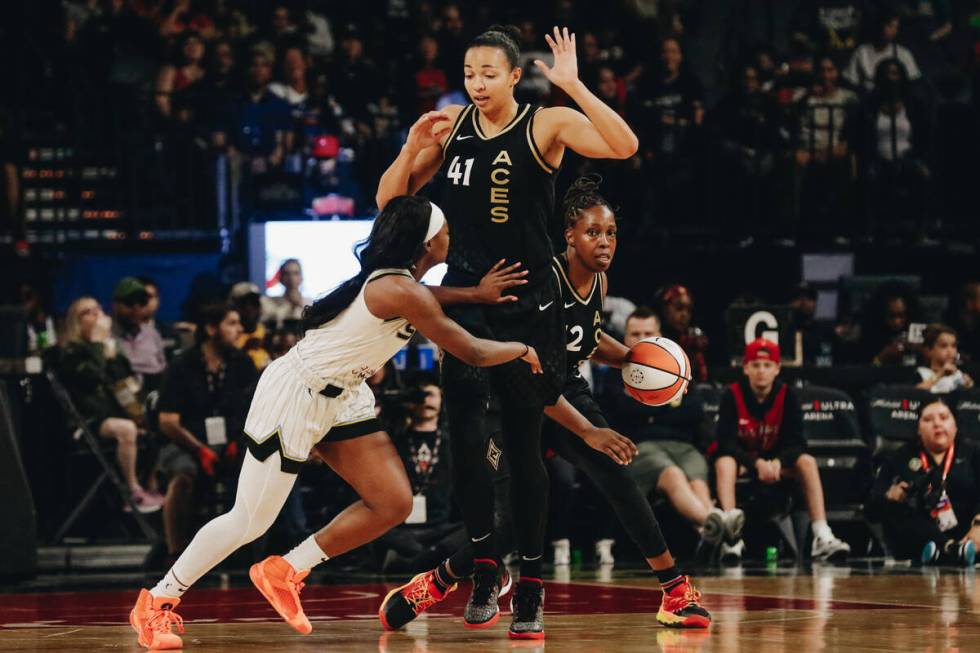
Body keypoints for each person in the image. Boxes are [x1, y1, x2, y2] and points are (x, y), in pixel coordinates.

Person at [130, 196, 543, 650]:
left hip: (343, 395)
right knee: (247, 520)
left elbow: (426, 298)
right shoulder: (401, 289)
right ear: (428, 241)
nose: (452, 237)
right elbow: (472, 350)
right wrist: (523, 349)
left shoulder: (402, 284)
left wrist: (475, 294)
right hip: (299, 392)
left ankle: (287, 569)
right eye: (446, 230)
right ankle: (157, 601)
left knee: (392, 502)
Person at [374, 24, 639, 639]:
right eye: (469, 74)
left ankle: (534, 584)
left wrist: (574, 86)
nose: (477, 84)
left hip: (529, 302)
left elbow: (622, 145)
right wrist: (410, 145)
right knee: (466, 441)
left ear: (516, 77)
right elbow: (393, 207)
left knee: (525, 448)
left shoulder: (545, 123)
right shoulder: (451, 125)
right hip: (467, 299)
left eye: (490, 74)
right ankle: (487, 567)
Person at [379, 177, 711, 633]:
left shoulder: (598, 280)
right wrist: (589, 430)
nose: (604, 242)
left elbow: (585, 338)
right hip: (507, 395)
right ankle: (436, 582)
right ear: (569, 235)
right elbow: (527, 377)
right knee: (512, 518)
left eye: (610, 233)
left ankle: (675, 590)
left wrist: (639, 364)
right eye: (593, 232)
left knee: (614, 472)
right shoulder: (542, 282)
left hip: (560, 387)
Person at [714, 338, 850, 562]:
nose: (761, 371)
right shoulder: (732, 395)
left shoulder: (787, 395)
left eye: (767, 366)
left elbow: (798, 442)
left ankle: (822, 535)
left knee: (806, 461)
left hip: (778, 466)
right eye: (755, 365)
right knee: (724, 462)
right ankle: (731, 535)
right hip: (745, 464)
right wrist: (754, 464)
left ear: (777, 369)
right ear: (745, 368)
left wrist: (777, 462)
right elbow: (725, 443)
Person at [608, 307, 728, 542]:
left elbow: (694, 411)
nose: (641, 339)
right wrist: (667, 405)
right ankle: (715, 523)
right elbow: (620, 413)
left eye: (648, 333)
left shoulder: (675, 366)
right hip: (641, 448)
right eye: (635, 334)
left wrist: (649, 410)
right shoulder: (614, 372)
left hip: (683, 446)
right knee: (672, 475)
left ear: (659, 335)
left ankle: (712, 535)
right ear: (625, 337)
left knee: (698, 483)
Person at [154, 303, 259, 565]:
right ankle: (174, 551)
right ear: (212, 328)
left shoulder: (242, 363)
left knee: (258, 466)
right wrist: (200, 449)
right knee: (183, 473)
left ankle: (250, 551)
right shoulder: (182, 365)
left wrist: (238, 441)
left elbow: (256, 411)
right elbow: (168, 421)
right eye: (232, 323)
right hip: (187, 441)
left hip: (235, 439)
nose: (239, 330)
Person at [59, 297, 164, 513]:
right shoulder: (69, 352)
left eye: (99, 309)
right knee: (126, 429)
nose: (97, 315)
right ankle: (133, 489)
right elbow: (88, 377)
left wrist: (112, 355)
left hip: (116, 415)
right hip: (88, 422)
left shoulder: (108, 350)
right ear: (76, 321)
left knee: (159, 420)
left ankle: (151, 484)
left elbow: (125, 386)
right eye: (89, 312)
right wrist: (97, 344)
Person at [868, 399, 980, 565]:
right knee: (896, 510)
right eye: (928, 419)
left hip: (969, 533)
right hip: (921, 539)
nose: (937, 424)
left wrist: (978, 525)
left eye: (943, 417)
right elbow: (871, 508)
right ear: (918, 429)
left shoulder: (974, 453)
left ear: (955, 425)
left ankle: (955, 552)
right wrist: (889, 495)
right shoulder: (898, 457)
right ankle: (950, 550)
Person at [376, 373, 467, 574]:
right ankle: (431, 560)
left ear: (442, 398)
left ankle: (413, 563)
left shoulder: (453, 441)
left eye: (432, 394)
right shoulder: (395, 438)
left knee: (473, 532)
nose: (426, 400)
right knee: (374, 533)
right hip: (400, 529)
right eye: (420, 396)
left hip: (440, 529)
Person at [112, 277, 167, 392]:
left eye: (142, 302)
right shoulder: (106, 336)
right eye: (129, 302)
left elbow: (162, 368)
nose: (136, 308)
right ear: (115, 305)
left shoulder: (152, 333)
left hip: (155, 392)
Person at [843, 12, 921, 93]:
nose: (893, 31)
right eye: (890, 26)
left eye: (896, 28)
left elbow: (913, 81)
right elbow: (851, 81)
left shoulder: (903, 54)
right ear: (880, 25)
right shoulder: (862, 52)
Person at [916, 324, 975, 394]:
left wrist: (969, 385)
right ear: (929, 351)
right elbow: (914, 394)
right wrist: (940, 374)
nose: (950, 351)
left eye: (953, 346)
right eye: (943, 346)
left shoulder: (958, 374)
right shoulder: (921, 373)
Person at [263, 258, 311, 328]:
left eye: (295, 273)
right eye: (287, 274)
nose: (291, 278)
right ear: (281, 278)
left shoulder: (309, 303)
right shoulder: (270, 303)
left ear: (301, 277)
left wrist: (300, 306)